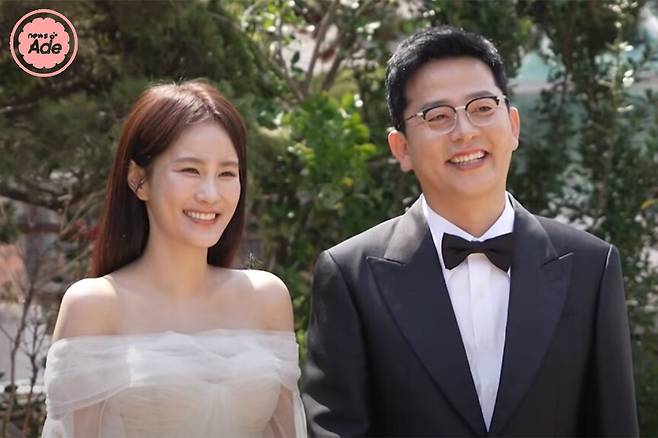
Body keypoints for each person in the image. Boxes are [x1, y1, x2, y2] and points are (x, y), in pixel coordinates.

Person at [302, 26, 638, 437]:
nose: (464, 131)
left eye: (481, 107)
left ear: (512, 125)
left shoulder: (591, 267)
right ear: (401, 148)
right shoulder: (351, 276)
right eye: (438, 116)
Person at [42, 80, 306, 438]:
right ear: (139, 180)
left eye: (227, 174)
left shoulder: (267, 298)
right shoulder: (94, 306)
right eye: (190, 170)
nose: (210, 194)